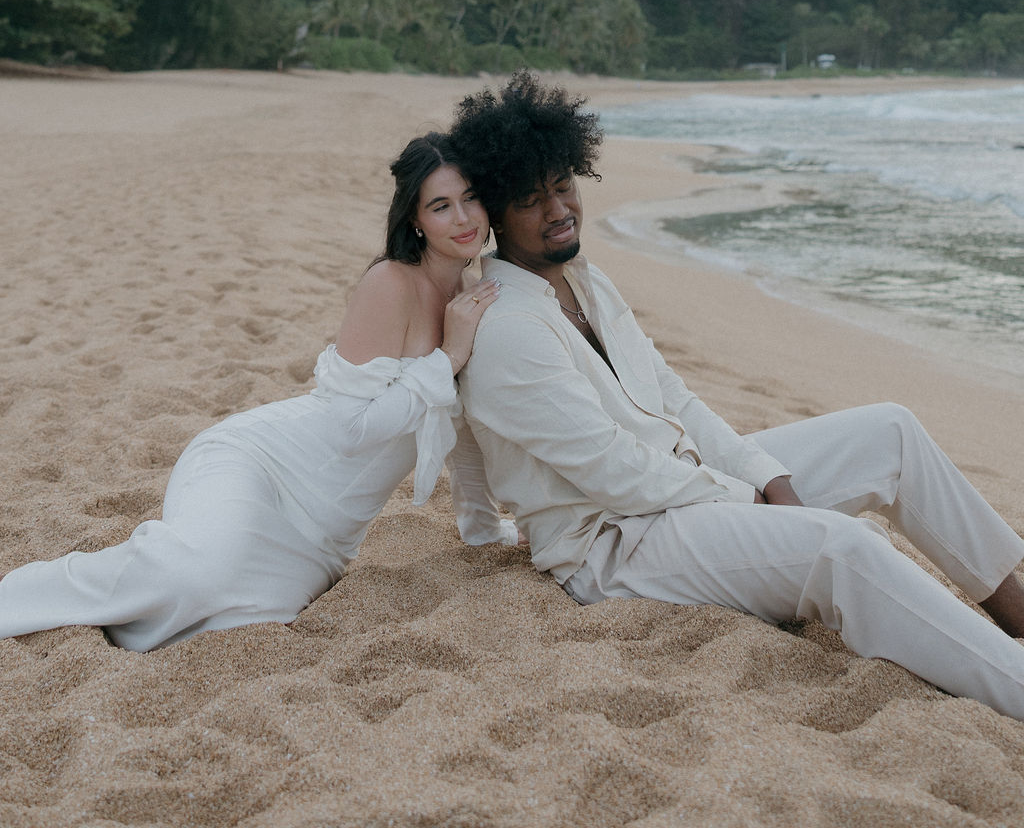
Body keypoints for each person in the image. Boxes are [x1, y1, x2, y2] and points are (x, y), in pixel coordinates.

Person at [449, 71, 1024, 720]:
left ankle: (1018, 615)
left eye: (562, 186)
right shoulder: (506, 330)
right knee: (845, 548)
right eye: (530, 199)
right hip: (615, 547)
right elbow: (611, 472)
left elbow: (676, 399)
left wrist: (767, 476)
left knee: (889, 432)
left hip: (683, 489)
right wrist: (745, 497)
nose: (557, 210)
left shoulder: (585, 281)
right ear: (495, 214)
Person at [0, 133, 515, 651]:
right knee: (187, 576)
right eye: (441, 206)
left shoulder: (473, 299)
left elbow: (462, 424)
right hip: (262, 466)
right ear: (415, 219)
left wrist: (484, 528)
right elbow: (348, 429)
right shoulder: (392, 283)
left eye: (470, 197)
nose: (465, 218)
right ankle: (17, 600)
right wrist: (446, 358)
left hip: (322, 539)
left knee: (252, 618)